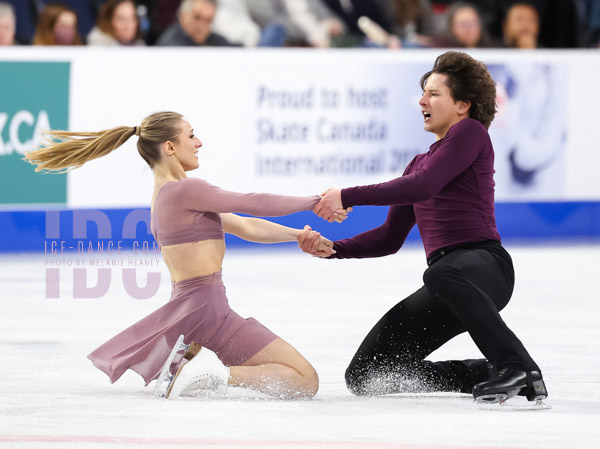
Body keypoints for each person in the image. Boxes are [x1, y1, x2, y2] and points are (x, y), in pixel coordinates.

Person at [25, 111, 341, 399]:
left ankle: (202, 368)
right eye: (191, 135)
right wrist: (314, 201)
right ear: (170, 148)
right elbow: (251, 201)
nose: (199, 142)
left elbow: (244, 226)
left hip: (191, 311)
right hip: (210, 313)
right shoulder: (185, 191)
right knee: (304, 380)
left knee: (301, 380)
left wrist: (298, 236)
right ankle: (211, 372)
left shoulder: (167, 198)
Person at [298, 51, 548, 405]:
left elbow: (424, 186)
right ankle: (482, 373)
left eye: (433, 93)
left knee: (440, 274)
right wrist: (335, 247)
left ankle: (517, 365)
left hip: (484, 267)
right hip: (448, 280)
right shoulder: (418, 162)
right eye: (423, 93)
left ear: (463, 104)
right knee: (368, 374)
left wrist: (346, 194)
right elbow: (389, 238)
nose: (422, 100)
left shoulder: (470, 132)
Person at [155, 0, 232, 46]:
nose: (201, 26)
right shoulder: (170, 45)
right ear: (183, 16)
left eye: (208, 20)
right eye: (197, 17)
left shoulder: (213, 40)